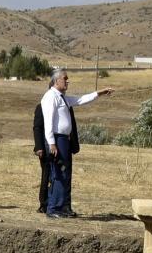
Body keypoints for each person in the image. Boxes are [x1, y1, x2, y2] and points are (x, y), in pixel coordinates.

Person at [38, 67, 113, 219]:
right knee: (58, 173)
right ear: (56, 80)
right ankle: (53, 209)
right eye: (65, 78)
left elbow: (80, 100)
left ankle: (57, 207)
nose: (67, 81)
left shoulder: (62, 97)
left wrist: (98, 93)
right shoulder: (50, 97)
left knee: (62, 173)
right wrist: (52, 144)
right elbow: (48, 122)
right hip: (57, 140)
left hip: (64, 140)